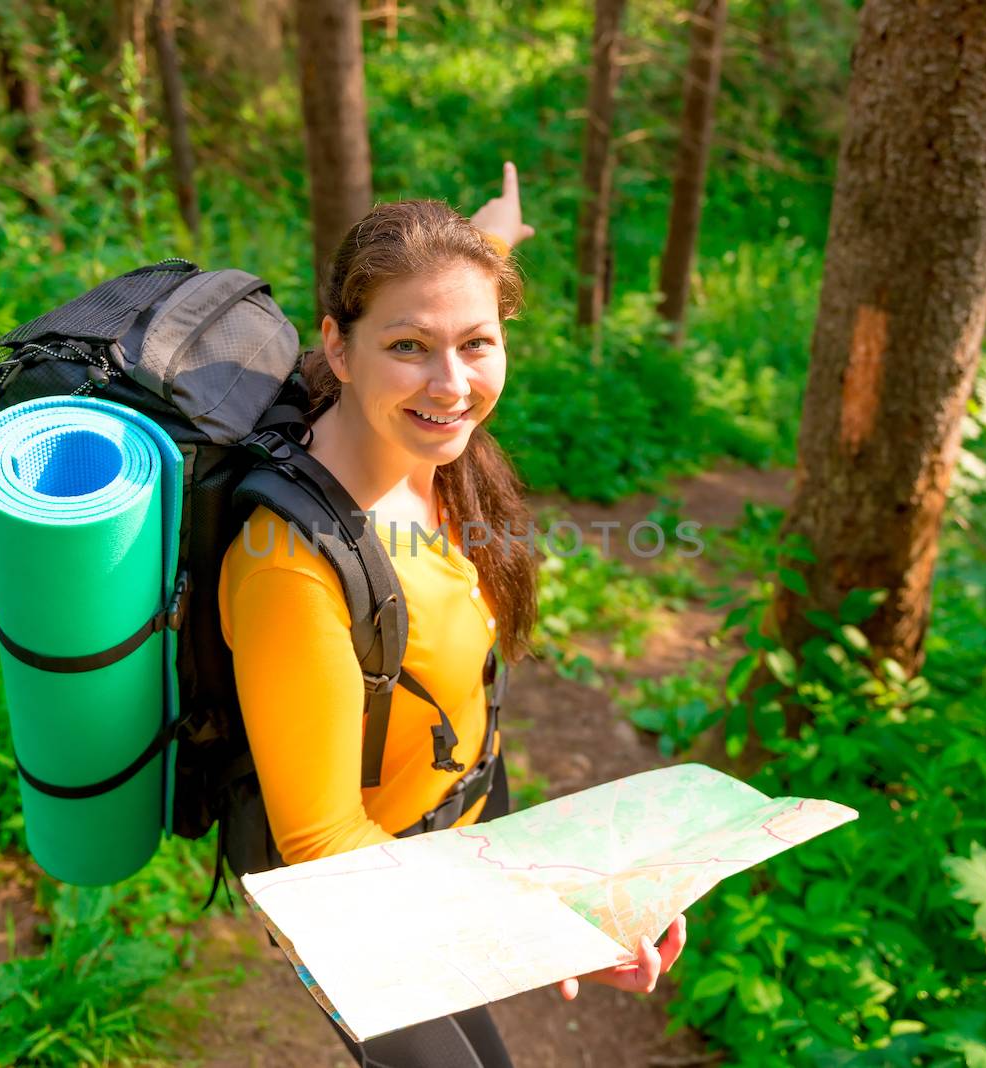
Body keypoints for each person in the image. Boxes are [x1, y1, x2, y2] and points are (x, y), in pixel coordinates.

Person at [217, 162, 687, 1067]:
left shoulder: (420, 446)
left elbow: (445, 297)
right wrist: (540, 923)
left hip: (446, 854)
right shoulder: (291, 565)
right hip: (353, 907)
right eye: (408, 347)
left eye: (477, 342)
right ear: (338, 349)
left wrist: (492, 234)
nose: (451, 383)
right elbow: (321, 845)